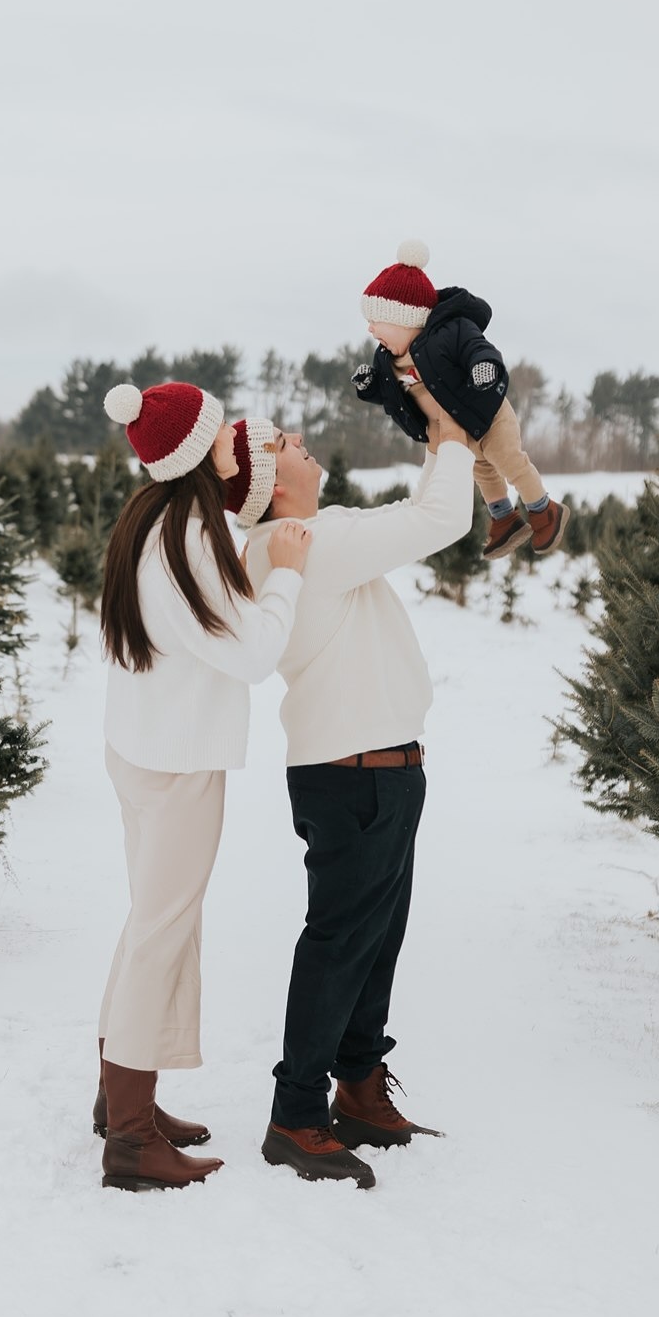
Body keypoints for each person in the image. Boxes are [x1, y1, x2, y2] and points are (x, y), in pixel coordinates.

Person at [239, 406, 478, 1188]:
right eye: (284, 445)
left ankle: (359, 1091)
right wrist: (452, 434)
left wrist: (436, 444)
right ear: (272, 484)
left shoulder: (310, 536)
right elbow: (440, 518)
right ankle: (295, 1115)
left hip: (374, 770)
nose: (300, 442)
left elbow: (409, 514)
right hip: (356, 773)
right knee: (342, 944)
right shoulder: (306, 543)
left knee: (372, 941)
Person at [95, 379, 312, 1192]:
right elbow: (251, 655)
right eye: (220, 431)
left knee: (150, 925)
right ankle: (129, 1140)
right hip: (176, 762)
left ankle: (121, 1099)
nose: (233, 440)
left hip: (142, 750)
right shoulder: (188, 539)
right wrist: (285, 574)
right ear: (193, 451)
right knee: (161, 932)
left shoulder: (151, 520)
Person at [353, 240, 569, 559]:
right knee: (482, 472)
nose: (370, 329)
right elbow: (391, 395)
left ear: (404, 317)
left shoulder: (450, 331)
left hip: (487, 415)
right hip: (458, 431)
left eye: (375, 320)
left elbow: (477, 349)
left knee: (508, 461)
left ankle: (544, 509)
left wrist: (483, 367)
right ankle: (504, 519)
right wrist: (370, 385)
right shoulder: (386, 359)